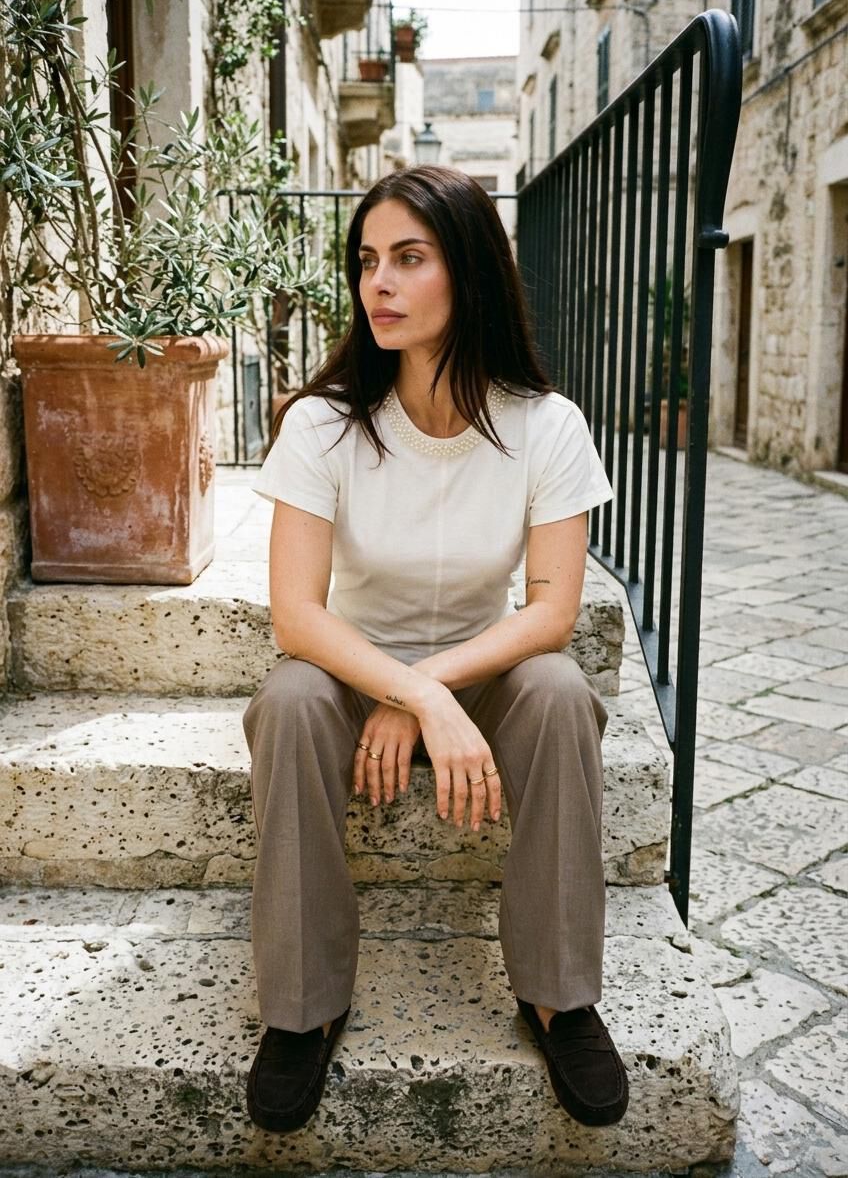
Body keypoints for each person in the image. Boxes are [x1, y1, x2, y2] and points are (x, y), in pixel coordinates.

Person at [242, 165, 628, 1135]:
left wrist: (428, 688)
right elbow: (296, 616)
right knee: (288, 699)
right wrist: (403, 689)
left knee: (558, 689)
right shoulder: (322, 424)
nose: (377, 281)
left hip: (482, 674)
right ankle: (303, 1005)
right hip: (349, 672)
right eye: (367, 259)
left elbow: (551, 611)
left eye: (408, 258)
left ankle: (558, 996)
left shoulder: (546, 427)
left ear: (469, 269)